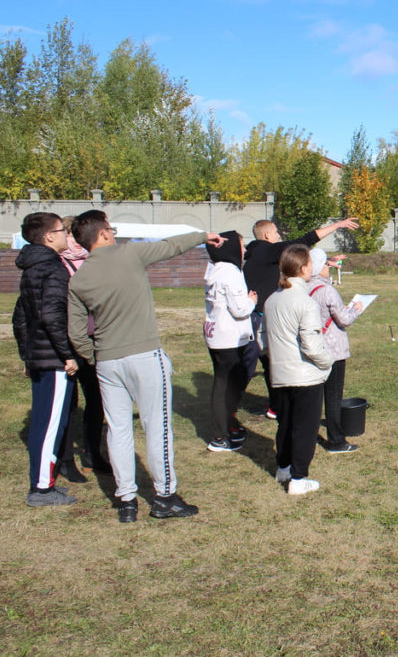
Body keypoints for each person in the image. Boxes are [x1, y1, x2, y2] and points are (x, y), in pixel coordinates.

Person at [67, 210, 226, 523]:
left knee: (118, 430)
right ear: (103, 234)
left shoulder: (79, 279)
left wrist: (95, 356)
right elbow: (169, 246)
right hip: (144, 356)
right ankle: (165, 497)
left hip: (107, 362)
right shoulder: (129, 253)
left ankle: (126, 500)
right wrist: (203, 235)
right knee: (158, 427)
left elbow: (75, 332)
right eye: (110, 228)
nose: (113, 233)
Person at [243, 217, 357, 419]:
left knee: (271, 362)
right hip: (261, 319)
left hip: (261, 315)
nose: (279, 236)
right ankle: (278, 406)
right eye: (276, 232)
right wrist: (337, 226)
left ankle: (276, 406)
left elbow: (293, 264)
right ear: (267, 235)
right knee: (273, 361)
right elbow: (303, 242)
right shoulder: (264, 250)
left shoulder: (257, 255)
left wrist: (326, 262)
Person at [12, 212, 79, 506]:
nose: (67, 234)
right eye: (63, 230)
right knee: (50, 423)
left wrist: (28, 355)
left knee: (43, 421)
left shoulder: (33, 266)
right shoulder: (52, 267)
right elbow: (51, 316)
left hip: (40, 356)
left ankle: (45, 481)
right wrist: (67, 355)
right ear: (49, 236)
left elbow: (21, 317)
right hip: (52, 359)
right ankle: (41, 489)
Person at [264, 244, 334, 495]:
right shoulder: (305, 302)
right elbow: (312, 345)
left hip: (280, 374)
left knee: (285, 423)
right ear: (304, 268)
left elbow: (265, 338)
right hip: (304, 376)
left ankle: (283, 467)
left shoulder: (272, 299)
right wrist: (328, 361)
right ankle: (298, 478)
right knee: (305, 428)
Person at [57, 215, 109, 476]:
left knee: (96, 399)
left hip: (92, 339)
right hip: (67, 343)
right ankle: (65, 459)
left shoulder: (92, 262)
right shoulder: (58, 264)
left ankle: (92, 452)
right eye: (68, 234)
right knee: (68, 402)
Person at [305, 247, 365, 453]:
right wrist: (356, 309)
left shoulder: (301, 287)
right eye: (325, 264)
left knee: (312, 396)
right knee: (333, 396)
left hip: (310, 347)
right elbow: (344, 319)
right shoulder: (327, 290)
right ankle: (336, 441)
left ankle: (308, 434)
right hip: (333, 350)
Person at [203, 230, 257, 452]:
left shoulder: (213, 269)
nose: (244, 251)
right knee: (225, 388)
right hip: (229, 338)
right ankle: (220, 435)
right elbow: (240, 309)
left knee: (221, 385)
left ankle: (224, 430)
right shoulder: (231, 272)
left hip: (215, 334)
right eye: (241, 246)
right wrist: (251, 300)